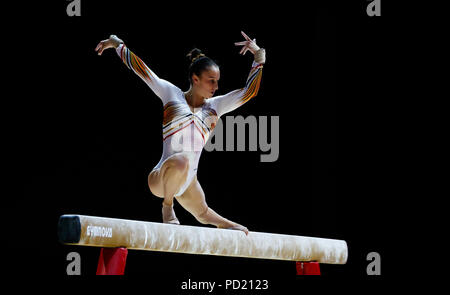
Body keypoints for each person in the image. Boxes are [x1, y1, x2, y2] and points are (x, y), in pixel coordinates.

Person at [95, 31, 265, 235]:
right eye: (211, 80)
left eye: (217, 81)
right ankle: (167, 207)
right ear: (195, 79)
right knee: (183, 160)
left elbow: (249, 92)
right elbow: (142, 70)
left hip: (188, 182)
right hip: (162, 177)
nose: (216, 87)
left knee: (203, 213)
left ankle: (224, 223)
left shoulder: (216, 107)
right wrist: (118, 45)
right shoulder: (171, 94)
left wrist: (259, 57)